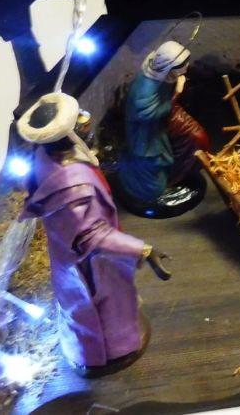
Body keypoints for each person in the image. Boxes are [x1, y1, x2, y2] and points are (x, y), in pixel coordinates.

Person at [17, 92, 172, 376]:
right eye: (79, 121)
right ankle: (110, 352)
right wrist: (143, 250)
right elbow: (94, 237)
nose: (86, 122)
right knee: (105, 309)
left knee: (93, 307)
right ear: (66, 135)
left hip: (67, 253)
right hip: (89, 264)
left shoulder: (44, 155)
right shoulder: (72, 187)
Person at [118, 40, 208, 211]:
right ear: (168, 66)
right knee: (153, 181)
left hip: (157, 128)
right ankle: (143, 183)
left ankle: (174, 175)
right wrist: (177, 93)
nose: (187, 67)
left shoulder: (160, 74)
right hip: (145, 135)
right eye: (182, 65)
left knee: (184, 147)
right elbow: (147, 115)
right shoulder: (146, 89)